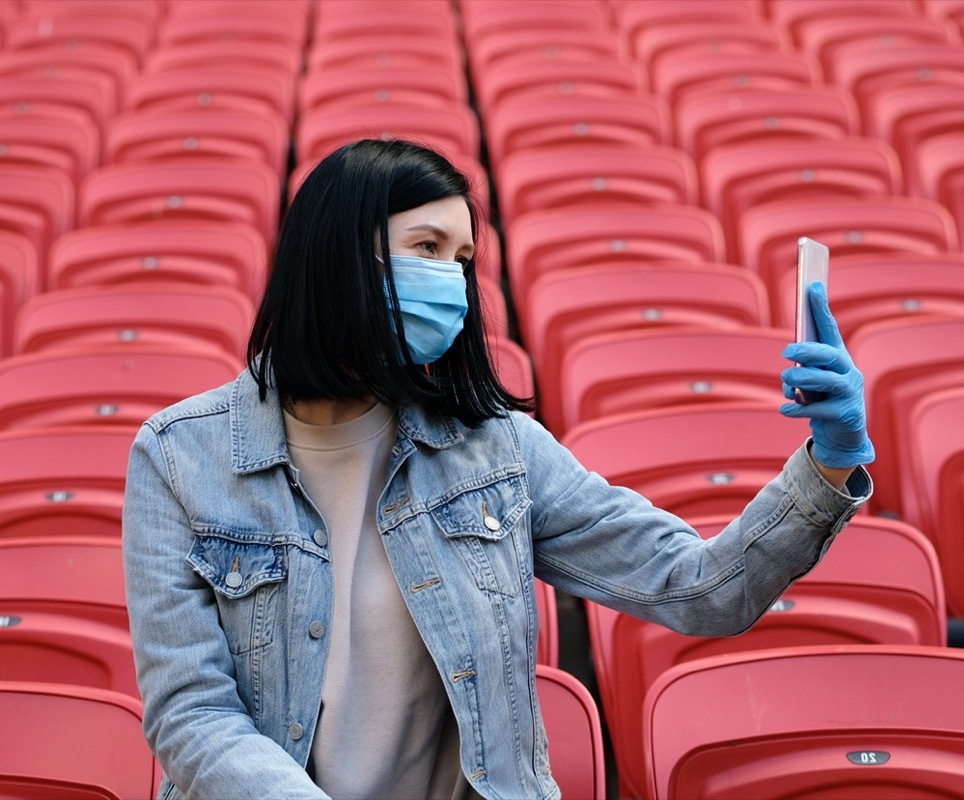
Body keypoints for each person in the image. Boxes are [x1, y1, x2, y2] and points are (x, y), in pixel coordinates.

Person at [122, 138, 875, 800]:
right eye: (426, 248)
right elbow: (191, 712)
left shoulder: (500, 449)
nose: (453, 280)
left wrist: (828, 464)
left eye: (463, 259)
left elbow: (703, 590)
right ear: (338, 257)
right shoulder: (179, 457)